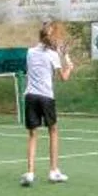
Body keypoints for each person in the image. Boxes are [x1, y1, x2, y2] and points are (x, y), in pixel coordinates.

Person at [21, 21, 73, 186]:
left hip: (30, 96)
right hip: (45, 97)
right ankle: (53, 171)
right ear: (50, 38)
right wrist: (69, 66)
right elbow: (64, 78)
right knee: (53, 131)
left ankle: (30, 173)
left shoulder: (29, 52)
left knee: (32, 135)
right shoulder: (52, 55)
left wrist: (58, 53)